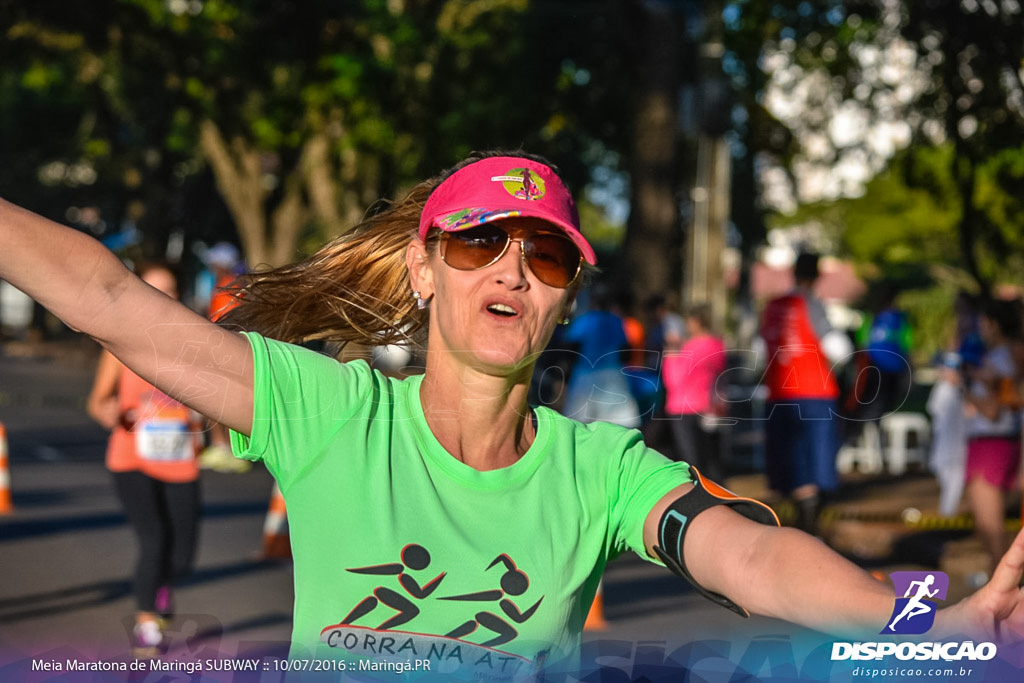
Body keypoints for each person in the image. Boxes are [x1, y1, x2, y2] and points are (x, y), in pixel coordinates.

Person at [4, 151, 1024, 677]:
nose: (509, 270)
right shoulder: (330, 412)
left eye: (541, 256)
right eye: (477, 242)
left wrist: (931, 628)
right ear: (423, 268)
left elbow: (756, 561)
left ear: (564, 295)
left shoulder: (602, 468)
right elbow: (108, 300)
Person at [85, 262, 202, 658]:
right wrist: (117, 412)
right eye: (151, 290)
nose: (160, 299)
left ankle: (163, 587)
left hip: (179, 459)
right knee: (153, 540)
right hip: (131, 457)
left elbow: (214, 401)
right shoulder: (118, 344)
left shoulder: (195, 346)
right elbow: (98, 403)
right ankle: (147, 623)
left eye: (168, 291)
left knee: (182, 554)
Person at [758, 252, 850, 535]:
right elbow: (840, 350)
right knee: (814, 463)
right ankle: (810, 532)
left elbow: (758, 354)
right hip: (814, 394)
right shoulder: (810, 303)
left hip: (778, 396)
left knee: (790, 462)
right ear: (817, 276)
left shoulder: (772, 306)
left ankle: (799, 528)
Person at [962, 299, 1022, 576]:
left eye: (984, 322)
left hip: (991, 443)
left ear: (995, 324)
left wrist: (965, 387)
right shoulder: (1003, 356)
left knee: (991, 531)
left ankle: (998, 600)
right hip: (997, 442)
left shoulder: (1003, 358)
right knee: (987, 531)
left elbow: (996, 410)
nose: (980, 328)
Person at [662, 302, 728, 482]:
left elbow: (673, 380)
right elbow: (721, 378)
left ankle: (698, 503)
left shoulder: (688, 348)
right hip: (709, 408)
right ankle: (719, 500)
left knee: (691, 463)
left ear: (696, 322)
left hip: (682, 408)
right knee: (712, 461)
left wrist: (670, 354)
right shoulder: (717, 345)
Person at [562, 284, 641, 428]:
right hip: (612, 375)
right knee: (617, 423)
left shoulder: (584, 320)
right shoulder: (617, 321)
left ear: (593, 300)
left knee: (579, 423)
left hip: (585, 375)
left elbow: (570, 350)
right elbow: (626, 351)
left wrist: (566, 373)